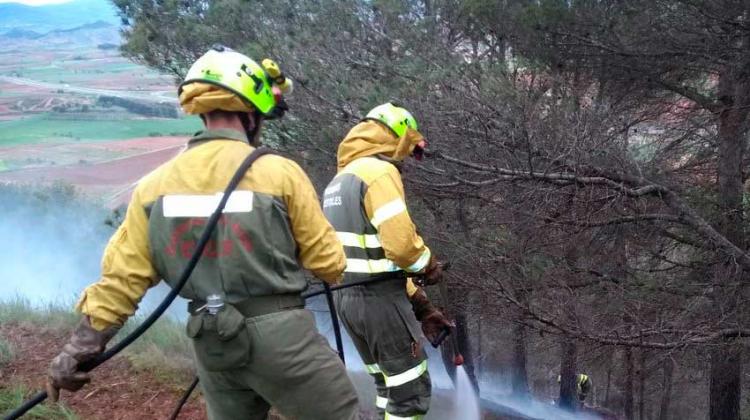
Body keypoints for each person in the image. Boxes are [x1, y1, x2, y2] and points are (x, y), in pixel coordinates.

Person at [46, 45, 359, 420]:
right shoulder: (278, 172)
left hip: (212, 344)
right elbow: (329, 264)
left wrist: (77, 350)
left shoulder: (153, 186)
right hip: (282, 339)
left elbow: (120, 283)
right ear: (252, 112)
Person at [322, 102, 450, 419]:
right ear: (394, 135)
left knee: (387, 387)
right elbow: (402, 247)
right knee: (410, 394)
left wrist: (421, 306)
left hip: (347, 300)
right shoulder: (379, 173)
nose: (404, 159)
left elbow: (372, 260)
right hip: (379, 303)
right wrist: (428, 266)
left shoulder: (339, 181)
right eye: (406, 149)